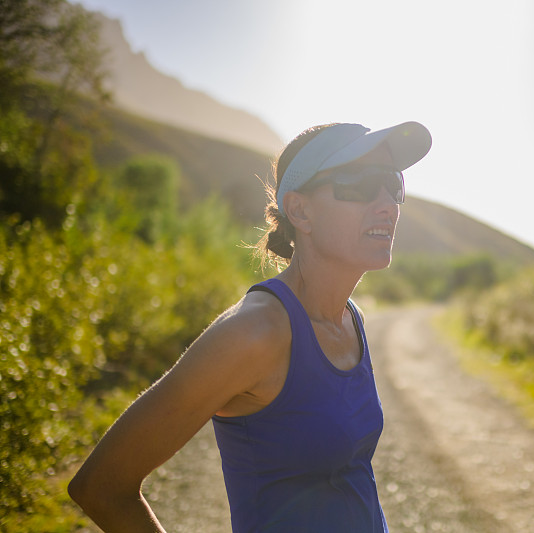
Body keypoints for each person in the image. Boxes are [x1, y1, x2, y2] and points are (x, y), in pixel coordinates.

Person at [68, 121, 433, 532]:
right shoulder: (254, 333)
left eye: (392, 184)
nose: (387, 204)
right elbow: (101, 486)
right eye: (360, 184)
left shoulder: (352, 318)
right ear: (300, 210)